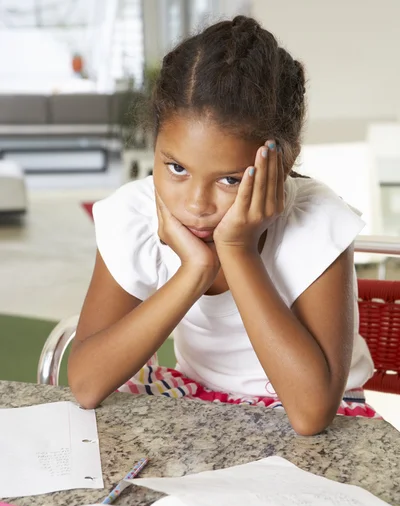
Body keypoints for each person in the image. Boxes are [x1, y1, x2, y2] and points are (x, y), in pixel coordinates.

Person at [68, 15, 376, 435]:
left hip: (317, 417)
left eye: (230, 179)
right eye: (176, 167)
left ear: (282, 164)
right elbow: (86, 384)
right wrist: (194, 272)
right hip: (198, 402)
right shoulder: (137, 215)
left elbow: (310, 414)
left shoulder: (316, 223)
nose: (196, 205)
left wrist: (237, 251)